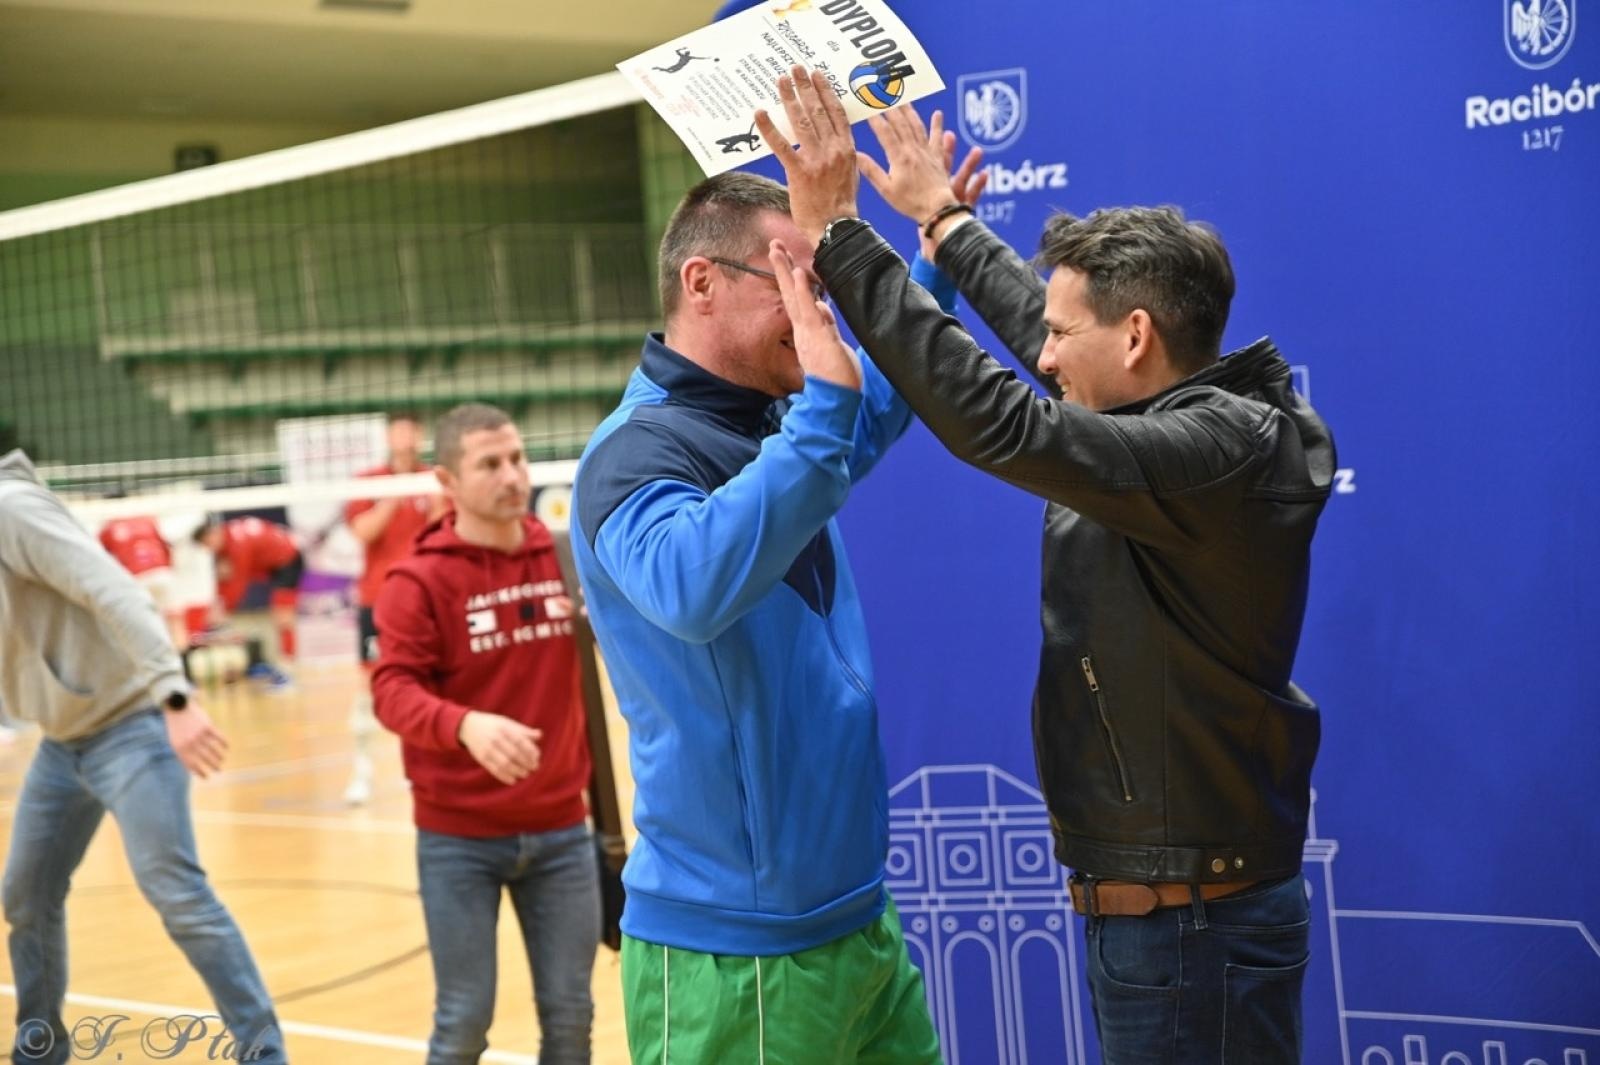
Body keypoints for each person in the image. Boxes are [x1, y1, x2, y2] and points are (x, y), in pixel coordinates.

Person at [758, 69, 1337, 1064]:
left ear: (1138, 336)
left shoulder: (1212, 446)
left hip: (1191, 926)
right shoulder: (1172, 414)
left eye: (1065, 339)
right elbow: (1052, 329)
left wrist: (842, 238)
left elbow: (1002, 419)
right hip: (1174, 911)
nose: (1047, 355)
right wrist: (941, 219)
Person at [569, 167, 977, 1063]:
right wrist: (825, 408)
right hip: (730, 950)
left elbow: (863, 420)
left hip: (856, 919)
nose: (817, 310)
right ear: (702, 282)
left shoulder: (771, 421)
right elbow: (690, 587)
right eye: (793, 281)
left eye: (822, 288)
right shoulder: (631, 455)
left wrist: (937, 259)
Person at [0, 449, 286, 1064]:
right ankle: (40, 1050)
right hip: (62, 740)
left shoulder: (11, 510)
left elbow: (114, 590)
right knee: (25, 893)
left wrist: (174, 695)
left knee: (177, 894)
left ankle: (264, 1055)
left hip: (131, 724)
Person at [371, 403, 598, 1065]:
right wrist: (464, 724)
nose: (512, 474)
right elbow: (391, 689)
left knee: (571, 1018)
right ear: (446, 482)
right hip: (459, 839)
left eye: (518, 458)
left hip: (562, 831)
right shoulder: (420, 580)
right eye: (490, 464)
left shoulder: (564, 557)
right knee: (464, 1022)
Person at [342, 413, 443, 805]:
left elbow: (442, 531)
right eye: (398, 431)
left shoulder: (434, 478)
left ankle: (419, 769)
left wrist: (432, 502)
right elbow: (363, 532)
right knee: (369, 687)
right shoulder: (370, 481)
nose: (405, 438)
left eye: (411, 431)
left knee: (429, 682)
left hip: (425, 599)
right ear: (388, 437)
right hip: (378, 600)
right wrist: (393, 494)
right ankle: (362, 773)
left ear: (419, 436)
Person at [194, 514, 302, 689]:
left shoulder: (238, 543)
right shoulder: (225, 545)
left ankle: (289, 671)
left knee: (283, 618)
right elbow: (225, 581)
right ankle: (265, 663)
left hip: (287, 560)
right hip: (266, 566)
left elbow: (238, 580)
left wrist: (224, 611)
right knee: (258, 619)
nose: (208, 549)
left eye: (207, 543)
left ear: (213, 533)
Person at [97, 514, 188, 650]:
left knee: (141, 621)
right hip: (160, 572)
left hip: (136, 577)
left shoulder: (108, 526)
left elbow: (101, 555)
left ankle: (151, 655)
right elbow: (166, 545)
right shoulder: (148, 519)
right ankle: (182, 657)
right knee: (173, 619)